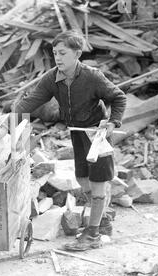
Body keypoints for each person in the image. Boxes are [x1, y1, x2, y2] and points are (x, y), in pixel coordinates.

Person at [12, 30, 127, 251]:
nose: (58, 57)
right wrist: (7, 124)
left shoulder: (92, 76)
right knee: (82, 179)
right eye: (55, 53)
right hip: (77, 132)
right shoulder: (52, 79)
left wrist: (113, 122)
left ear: (77, 54)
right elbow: (28, 103)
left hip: (97, 134)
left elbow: (118, 97)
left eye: (63, 53)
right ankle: (101, 220)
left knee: (98, 182)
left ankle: (92, 234)